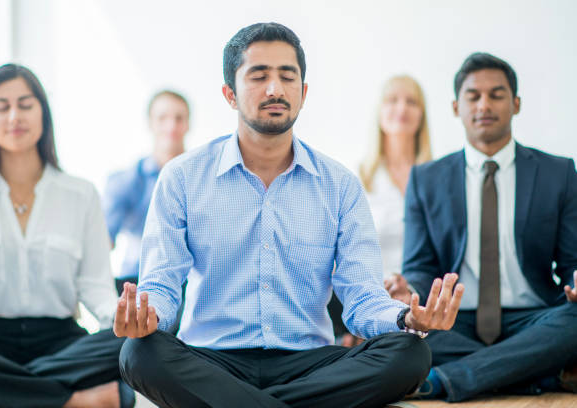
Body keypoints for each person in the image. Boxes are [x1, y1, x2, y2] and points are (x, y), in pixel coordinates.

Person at [114, 22, 464, 408]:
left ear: (303, 92)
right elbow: (161, 285)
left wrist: (407, 320)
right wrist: (148, 318)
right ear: (230, 94)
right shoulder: (182, 177)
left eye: (287, 76)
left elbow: (362, 297)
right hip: (210, 359)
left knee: (410, 353)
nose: (275, 89)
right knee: (138, 353)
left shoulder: (340, 185)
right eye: (259, 76)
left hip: (309, 363)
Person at [388, 52, 577, 402]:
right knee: (399, 334)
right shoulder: (426, 179)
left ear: (516, 103)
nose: (484, 105)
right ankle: (539, 374)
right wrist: (408, 290)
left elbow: (571, 263)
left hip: (535, 318)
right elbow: (418, 265)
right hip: (454, 322)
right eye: (473, 96)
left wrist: (575, 280)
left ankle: (442, 381)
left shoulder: (559, 173)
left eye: (497, 94)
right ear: (456, 107)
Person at [0, 64, 134, 408]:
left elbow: (96, 286)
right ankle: (69, 400)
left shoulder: (81, 193)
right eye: (3, 106)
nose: (15, 116)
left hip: (61, 344)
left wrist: (122, 322)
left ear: (43, 113)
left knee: (144, 343)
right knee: (119, 396)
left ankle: (0, 392)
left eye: (26, 105)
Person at [335, 75, 433, 346]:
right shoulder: (356, 178)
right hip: (370, 295)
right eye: (392, 100)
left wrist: (409, 290)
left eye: (411, 102)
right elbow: (344, 256)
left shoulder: (438, 179)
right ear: (379, 113)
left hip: (421, 295)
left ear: (421, 115)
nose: (401, 108)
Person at [103, 90, 189, 295]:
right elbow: (102, 241)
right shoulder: (125, 181)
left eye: (179, 118)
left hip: (191, 284)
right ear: (150, 124)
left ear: (188, 124)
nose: (171, 126)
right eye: (162, 118)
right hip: (137, 282)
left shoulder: (205, 179)